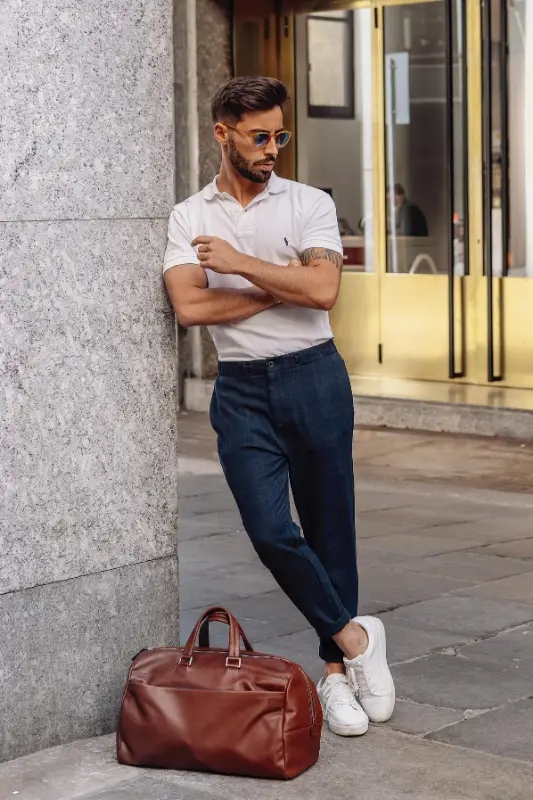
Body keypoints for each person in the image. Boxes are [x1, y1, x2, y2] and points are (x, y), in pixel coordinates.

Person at [163, 76, 395, 737]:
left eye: (279, 135)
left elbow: (323, 290)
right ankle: (356, 639)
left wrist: (239, 264)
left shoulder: (308, 204)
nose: (272, 148)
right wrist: (278, 285)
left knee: (329, 529)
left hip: (313, 377)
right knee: (269, 530)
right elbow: (189, 306)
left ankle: (333, 676)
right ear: (222, 134)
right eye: (258, 136)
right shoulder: (190, 215)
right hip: (239, 389)